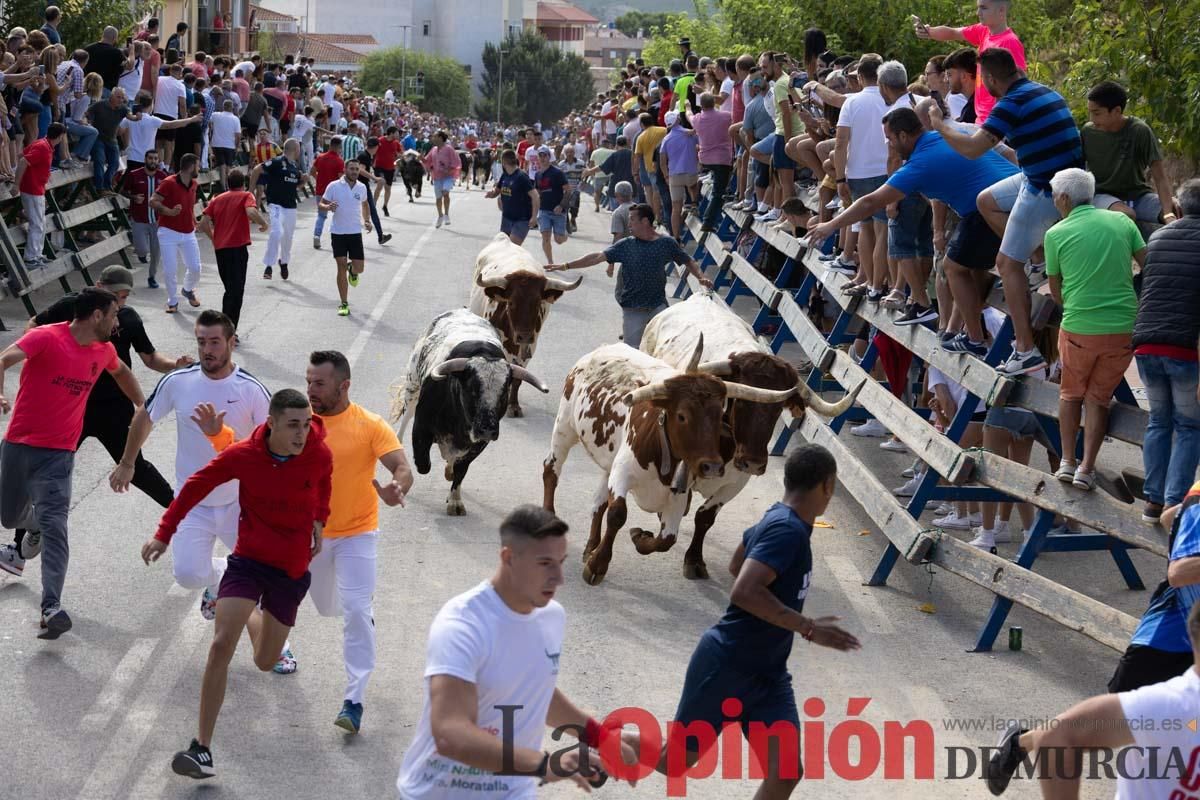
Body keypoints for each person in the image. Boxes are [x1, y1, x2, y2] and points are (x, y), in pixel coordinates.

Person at [646, 444, 860, 799]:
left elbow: (736, 565)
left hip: (767, 675)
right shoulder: (787, 530)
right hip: (726, 666)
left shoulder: (778, 519)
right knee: (674, 763)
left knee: (787, 771)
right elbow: (743, 589)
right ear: (828, 485)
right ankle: (598, 741)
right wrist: (807, 626)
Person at [142, 389, 332, 780]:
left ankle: (253, 615)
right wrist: (164, 533)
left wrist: (319, 518)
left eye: (307, 424)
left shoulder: (318, 453)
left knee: (265, 661)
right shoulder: (244, 455)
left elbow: (324, 482)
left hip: (290, 570)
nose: (302, 433)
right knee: (219, 645)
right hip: (247, 562)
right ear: (273, 423)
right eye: (294, 425)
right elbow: (194, 486)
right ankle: (202, 748)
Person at [395, 505, 639, 797]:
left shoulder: (551, 617)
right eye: (545, 563)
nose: (559, 578)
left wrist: (599, 737)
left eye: (561, 562)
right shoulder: (462, 624)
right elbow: (450, 733)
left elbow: (534, 691)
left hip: (515, 790)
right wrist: (545, 764)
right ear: (509, 558)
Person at [110, 312, 289, 659]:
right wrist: (128, 462)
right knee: (189, 574)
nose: (207, 350)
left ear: (231, 343)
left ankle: (277, 646)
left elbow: (275, 443)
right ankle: (220, 578)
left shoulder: (251, 390)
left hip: (243, 503)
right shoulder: (179, 382)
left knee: (269, 578)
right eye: (201, 342)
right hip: (193, 503)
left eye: (215, 342)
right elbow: (145, 418)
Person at [930, 47, 1084, 376]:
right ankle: (1039, 257)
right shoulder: (1041, 89)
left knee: (1005, 263)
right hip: (1045, 175)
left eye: (984, 81)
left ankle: (1026, 350)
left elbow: (973, 150)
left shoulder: (1011, 102)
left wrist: (939, 126)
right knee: (987, 200)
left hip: (1048, 187)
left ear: (991, 78)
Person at [0, 288, 144, 638]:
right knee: (8, 516)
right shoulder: (46, 337)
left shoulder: (104, 349)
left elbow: (121, 372)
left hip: (60, 454)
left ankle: (52, 606)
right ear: (96, 315)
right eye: (113, 315)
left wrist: (142, 404)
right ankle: (31, 526)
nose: (116, 323)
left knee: (56, 526)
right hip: (19, 444)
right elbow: (3, 359)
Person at [809, 106, 1017, 329]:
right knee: (967, 266)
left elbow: (870, 202)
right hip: (1015, 190)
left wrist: (831, 224)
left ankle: (971, 337)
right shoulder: (946, 135)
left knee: (953, 267)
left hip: (992, 207)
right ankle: (959, 332)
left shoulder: (919, 164)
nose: (889, 144)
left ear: (903, 136)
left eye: (889, 139)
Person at [11, 266, 188, 508]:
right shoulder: (72, 307)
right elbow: (35, 326)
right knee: (44, 470)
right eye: (115, 295)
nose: (119, 303)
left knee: (136, 467)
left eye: (124, 297)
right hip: (70, 407)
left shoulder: (128, 318)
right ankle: (25, 540)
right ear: (98, 286)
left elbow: (150, 358)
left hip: (113, 407)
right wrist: (40, 358)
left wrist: (174, 365)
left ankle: (181, 513)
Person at [986, 601, 1200, 798]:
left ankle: (1019, 743)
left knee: (1162, 738)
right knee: (1135, 729)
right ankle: (1018, 743)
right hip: (1163, 645)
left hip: (1181, 646)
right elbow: (1177, 573)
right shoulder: (1174, 702)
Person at [303, 351, 411, 732]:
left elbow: (401, 466)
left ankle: (354, 700)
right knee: (330, 607)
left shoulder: (369, 424)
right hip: (310, 536)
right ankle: (221, 578)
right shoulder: (299, 423)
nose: (310, 390)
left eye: (319, 383)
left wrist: (397, 486)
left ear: (343, 385)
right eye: (308, 381)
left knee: (354, 610)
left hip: (358, 533)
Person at [1044, 168, 1145, 492]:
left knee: (1070, 394)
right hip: (1123, 327)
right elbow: (1148, 262)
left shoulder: (1056, 234)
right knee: (1099, 399)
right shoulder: (1123, 222)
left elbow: (1056, 292)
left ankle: (1067, 461)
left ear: (1063, 198)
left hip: (1079, 327)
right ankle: (1087, 468)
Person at [547, 203, 713, 348]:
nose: (629, 223)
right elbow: (597, 257)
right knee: (632, 351)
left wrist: (700, 277)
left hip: (658, 306)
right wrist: (566, 265)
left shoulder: (666, 243)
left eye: (632, 219)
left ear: (645, 221)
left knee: (668, 344)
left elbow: (688, 260)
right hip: (633, 308)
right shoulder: (625, 245)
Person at [1133, 179, 1200, 523]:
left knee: (1159, 421)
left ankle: (1152, 500)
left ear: (1181, 207)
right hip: (1185, 348)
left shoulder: (1157, 237)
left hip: (1146, 341)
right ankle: (1175, 505)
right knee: (1189, 426)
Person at [1082, 80, 1179, 225]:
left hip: (1139, 197)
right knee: (1125, 215)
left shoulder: (1140, 130)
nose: (1092, 119)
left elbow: (1160, 177)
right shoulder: (1088, 132)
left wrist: (1168, 213)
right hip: (1102, 196)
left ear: (1117, 111)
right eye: (1090, 113)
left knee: (1179, 210)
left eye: (1096, 113)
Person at [913, 0, 1025, 124]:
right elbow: (953, 32)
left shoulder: (1010, 42)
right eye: (978, 7)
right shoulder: (983, 31)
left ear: (1001, 10)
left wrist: (998, 125)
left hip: (995, 122)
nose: (978, 12)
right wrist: (930, 32)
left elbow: (1016, 88)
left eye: (984, 8)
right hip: (981, 120)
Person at [198, 169, 269, 329]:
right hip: (237, 249)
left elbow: (202, 224)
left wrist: (214, 238)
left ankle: (226, 328)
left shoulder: (217, 199)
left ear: (228, 183)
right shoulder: (245, 196)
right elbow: (250, 210)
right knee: (236, 292)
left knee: (230, 289)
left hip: (221, 249)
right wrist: (263, 223)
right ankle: (228, 330)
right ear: (243, 184)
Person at [152, 153, 204, 313]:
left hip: (188, 231)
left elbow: (189, 207)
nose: (200, 167)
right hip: (168, 232)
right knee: (170, 269)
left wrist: (196, 222)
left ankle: (187, 290)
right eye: (198, 165)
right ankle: (173, 301)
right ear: (191, 167)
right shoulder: (169, 182)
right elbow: (152, 201)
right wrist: (168, 211)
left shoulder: (194, 183)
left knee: (196, 267)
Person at [319, 159, 370, 317]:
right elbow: (321, 203)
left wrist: (367, 220)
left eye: (357, 169)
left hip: (355, 232)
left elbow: (365, 204)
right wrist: (327, 207)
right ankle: (344, 303)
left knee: (359, 268)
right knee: (340, 265)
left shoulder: (362, 187)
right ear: (345, 169)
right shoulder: (334, 186)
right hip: (338, 232)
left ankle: (352, 270)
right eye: (352, 169)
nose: (355, 171)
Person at [252, 138, 305, 281]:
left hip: (290, 207)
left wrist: (303, 181)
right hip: (276, 205)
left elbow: (295, 187)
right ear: (295, 149)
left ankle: (284, 262)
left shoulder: (295, 168)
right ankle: (269, 265)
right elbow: (257, 169)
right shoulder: (276, 162)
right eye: (299, 149)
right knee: (276, 232)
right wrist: (250, 192)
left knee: (288, 237)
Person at [12, 123, 64, 268]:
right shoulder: (42, 147)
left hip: (37, 188)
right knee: (37, 224)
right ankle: (30, 258)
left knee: (40, 223)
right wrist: (17, 183)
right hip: (32, 189)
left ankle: (37, 255)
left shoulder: (43, 143)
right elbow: (23, 160)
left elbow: (22, 154)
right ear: (60, 137)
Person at [118, 149, 169, 287]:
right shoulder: (134, 175)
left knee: (156, 253)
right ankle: (141, 254)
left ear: (158, 161)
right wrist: (133, 197)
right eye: (150, 158)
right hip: (138, 218)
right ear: (145, 160)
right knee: (142, 249)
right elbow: (122, 191)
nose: (153, 161)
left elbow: (168, 195)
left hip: (157, 220)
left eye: (155, 159)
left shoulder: (163, 176)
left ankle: (152, 277)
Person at [690, 91, 733, 233]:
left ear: (701, 105)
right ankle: (708, 222)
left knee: (715, 187)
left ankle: (696, 202)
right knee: (718, 193)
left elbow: (688, 115)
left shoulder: (697, 119)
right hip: (722, 159)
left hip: (705, 159)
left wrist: (687, 106)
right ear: (714, 102)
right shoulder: (726, 116)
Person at [486, 148, 538, 245]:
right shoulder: (505, 176)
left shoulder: (521, 176)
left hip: (521, 219)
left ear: (504, 161)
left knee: (512, 247)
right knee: (503, 248)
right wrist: (491, 194)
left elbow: (535, 196)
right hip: (506, 218)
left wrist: (534, 217)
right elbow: (496, 191)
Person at [535, 146, 572, 264]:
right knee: (545, 237)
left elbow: (568, 190)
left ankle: (565, 233)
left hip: (558, 211)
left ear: (549, 157)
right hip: (544, 211)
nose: (542, 158)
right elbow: (537, 192)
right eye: (540, 156)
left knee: (559, 240)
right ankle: (550, 262)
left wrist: (561, 206)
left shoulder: (557, 172)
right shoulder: (537, 174)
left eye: (544, 155)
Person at [311, 136, 344, 249]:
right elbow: (341, 178)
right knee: (340, 215)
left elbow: (312, 171)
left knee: (321, 216)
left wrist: (318, 179)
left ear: (330, 145)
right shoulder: (339, 161)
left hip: (320, 191)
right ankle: (340, 238)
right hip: (335, 193)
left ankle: (316, 236)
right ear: (339, 147)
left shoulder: (320, 157)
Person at [425, 130, 458, 228]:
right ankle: (440, 216)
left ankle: (446, 214)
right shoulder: (434, 149)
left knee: (445, 192)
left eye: (435, 136)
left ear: (440, 138)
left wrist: (449, 170)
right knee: (438, 198)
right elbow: (427, 160)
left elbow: (455, 162)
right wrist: (420, 158)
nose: (433, 138)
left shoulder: (449, 149)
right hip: (437, 177)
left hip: (448, 177)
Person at [373, 126, 401, 215]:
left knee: (388, 188)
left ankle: (385, 206)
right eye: (397, 133)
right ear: (392, 133)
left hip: (390, 168)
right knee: (381, 183)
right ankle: (373, 204)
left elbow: (400, 154)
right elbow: (373, 151)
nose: (398, 135)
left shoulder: (396, 143)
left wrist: (399, 155)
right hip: (379, 167)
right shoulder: (380, 140)